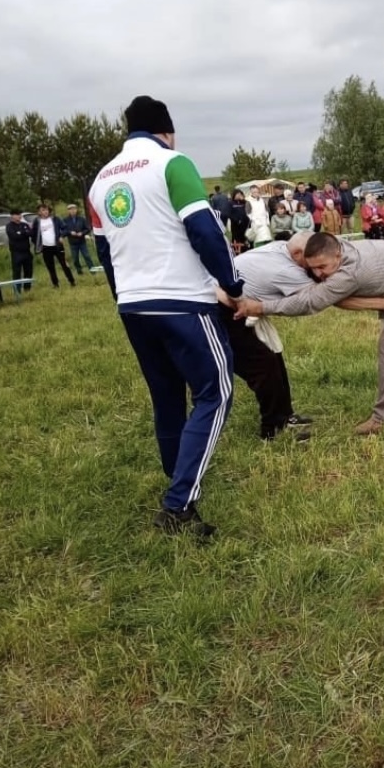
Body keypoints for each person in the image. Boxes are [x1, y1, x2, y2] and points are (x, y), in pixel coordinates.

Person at [87, 94, 244, 538]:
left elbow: (105, 252)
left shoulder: (101, 181)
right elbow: (204, 228)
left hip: (133, 305)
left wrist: (125, 297)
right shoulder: (172, 163)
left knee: (166, 397)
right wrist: (231, 283)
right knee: (216, 392)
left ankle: (179, 479)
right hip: (181, 300)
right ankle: (178, 505)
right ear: (166, 130)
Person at [226, 232, 384, 436]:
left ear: (337, 254)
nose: (318, 274)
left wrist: (260, 307)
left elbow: (312, 301)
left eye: (322, 267)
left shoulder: (349, 273)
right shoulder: (341, 247)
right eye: (313, 268)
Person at [218, 233, 313, 441]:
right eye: (313, 260)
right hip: (222, 309)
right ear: (298, 254)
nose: (315, 266)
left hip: (233, 303)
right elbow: (316, 300)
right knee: (262, 366)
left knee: (274, 358)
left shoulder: (281, 247)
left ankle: (285, 416)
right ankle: (272, 429)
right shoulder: (288, 271)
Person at [35, 203, 76, 288]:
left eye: (46, 210)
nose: (45, 212)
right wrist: (38, 244)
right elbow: (34, 234)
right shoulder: (37, 222)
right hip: (46, 247)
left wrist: (61, 236)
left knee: (64, 264)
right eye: (43, 210)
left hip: (57, 246)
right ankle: (55, 284)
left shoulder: (55, 219)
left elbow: (65, 229)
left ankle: (72, 281)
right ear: (39, 212)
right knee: (50, 267)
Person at [5, 209, 36, 293]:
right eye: (17, 214)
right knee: (17, 272)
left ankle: (27, 288)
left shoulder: (24, 224)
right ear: (12, 216)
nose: (19, 216)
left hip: (26, 251)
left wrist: (21, 232)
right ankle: (17, 290)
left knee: (28, 271)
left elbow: (31, 233)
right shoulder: (9, 226)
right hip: (16, 253)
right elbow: (14, 236)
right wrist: (23, 233)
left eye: (20, 214)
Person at [60, 202, 96, 274]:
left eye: (74, 209)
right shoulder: (65, 220)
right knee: (75, 258)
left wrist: (82, 233)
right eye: (70, 209)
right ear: (68, 211)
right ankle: (79, 271)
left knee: (86, 256)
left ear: (76, 210)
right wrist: (70, 232)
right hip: (73, 242)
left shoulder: (81, 219)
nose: (72, 211)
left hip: (82, 241)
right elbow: (63, 231)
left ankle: (93, 270)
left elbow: (87, 229)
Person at [228, 188, 250, 253]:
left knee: (244, 237)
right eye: (237, 194)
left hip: (244, 224)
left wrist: (243, 200)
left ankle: (245, 250)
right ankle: (236, 251)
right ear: (234, 195)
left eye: (240, 194)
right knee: (236, 238)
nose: (239, 195)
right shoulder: (230, 203)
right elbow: (229, 213)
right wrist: (236, 220)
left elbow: (248, 209)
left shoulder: (244, 202)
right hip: (235, 224)